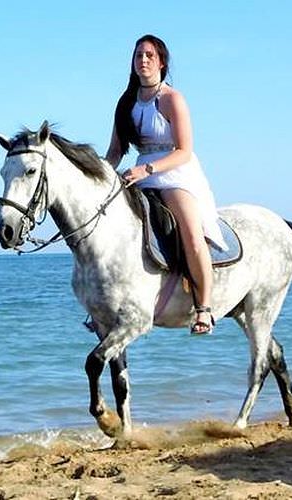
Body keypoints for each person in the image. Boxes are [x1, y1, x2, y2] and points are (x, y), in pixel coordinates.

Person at [105, 34, 226, 335]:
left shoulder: (173, 99)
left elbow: (184, 150)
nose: (142, 60)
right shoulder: (125, 103)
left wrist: (147, 169)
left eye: (148, 55)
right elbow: (115, 152)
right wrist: (101, 176)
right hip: (138, 172)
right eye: (137, 56)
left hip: (174, 171)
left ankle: (205, 307)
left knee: (192, 234)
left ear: (161, 62)